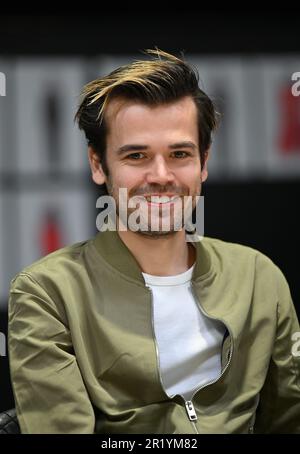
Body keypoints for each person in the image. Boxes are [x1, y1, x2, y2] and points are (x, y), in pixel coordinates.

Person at [8, 49, 300, 434]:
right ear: (98, 165)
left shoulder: (258, 277)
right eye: (137, 156)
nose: (161, 175)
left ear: (204, 162)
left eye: (179, 153)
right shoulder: (47, 293)